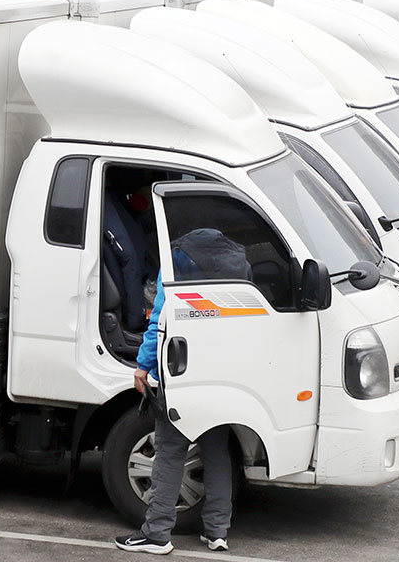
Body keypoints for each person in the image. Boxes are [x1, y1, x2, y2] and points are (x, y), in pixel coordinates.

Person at [114, 230, 242, 556]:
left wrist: (143, 366)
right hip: (223, 374)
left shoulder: (177, 259)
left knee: (170, 453)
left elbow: (160, 320)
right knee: (216, 452)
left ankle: (156, 534)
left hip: (183, 374)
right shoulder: (235, 259)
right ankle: (217, 531)